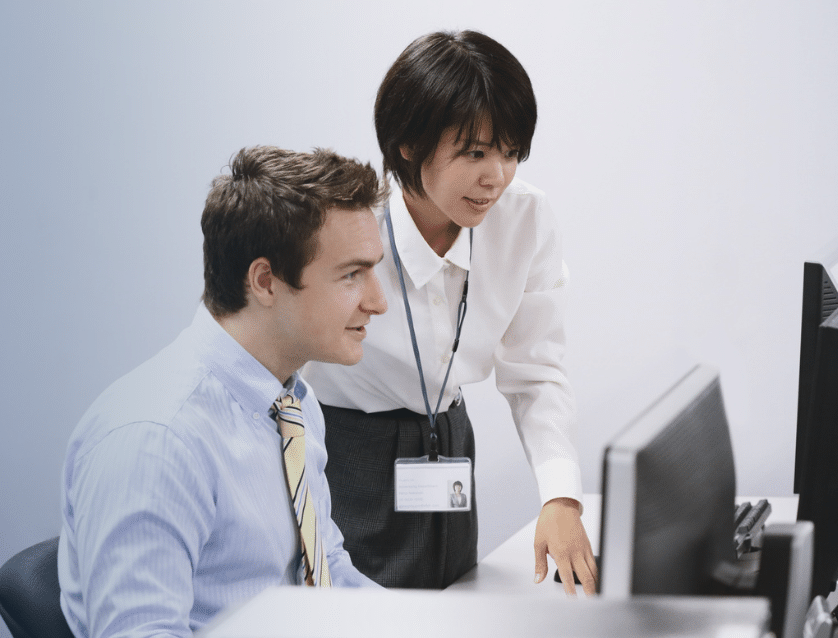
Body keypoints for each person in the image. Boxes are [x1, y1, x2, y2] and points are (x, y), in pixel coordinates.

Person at [302, 30, 597, 595]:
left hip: (447, 441)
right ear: (409, 144)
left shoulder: (525, 220)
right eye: (475, 152)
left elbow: (536, 372)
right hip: (348, 451)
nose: (497, 177)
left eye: (510, 152)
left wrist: (559, 494)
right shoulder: (348, 228)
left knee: (455, 605)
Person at [58, 146, 388, 637]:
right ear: (265, 281)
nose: (378, 301)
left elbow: (327, 568)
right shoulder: (157, 440)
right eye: (351, 275)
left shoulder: (293, 404)